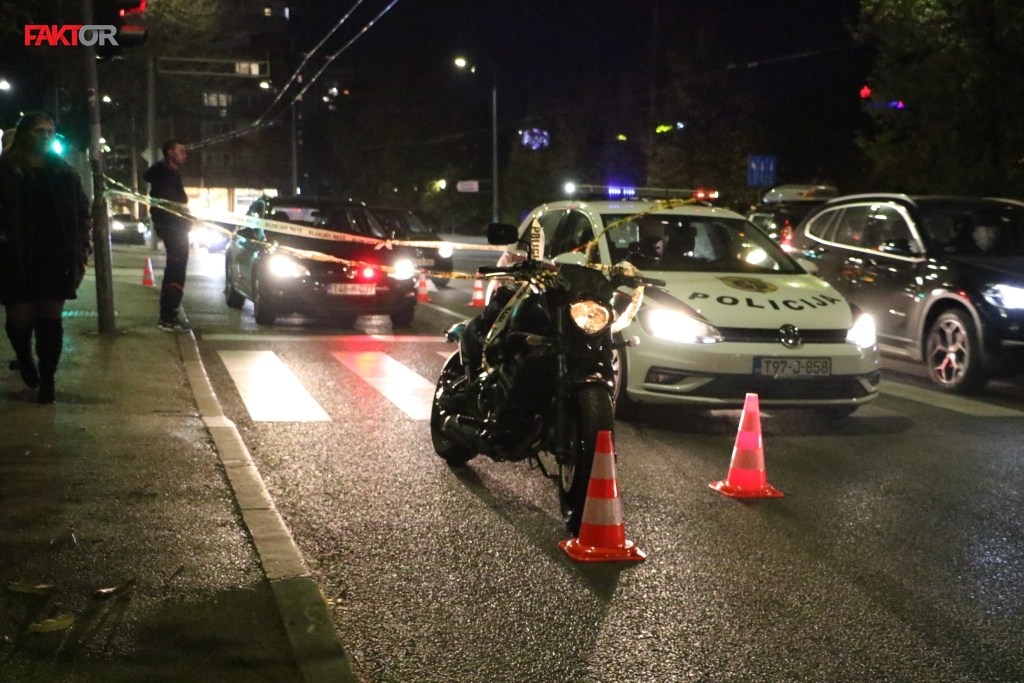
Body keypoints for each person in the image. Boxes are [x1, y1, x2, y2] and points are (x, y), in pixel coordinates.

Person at [0, 111, 92, 403]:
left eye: (50, 132)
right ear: (25, 134)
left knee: (51, 318)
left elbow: (81, 214)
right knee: (19, 319)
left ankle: (49, 378)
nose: (46, 137)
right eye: (39, 131)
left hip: (54, 255)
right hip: (14, 255)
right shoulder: (5, 171)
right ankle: (25, 358)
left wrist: (81, 250)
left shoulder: (64, 174)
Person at [143, 139, 191, 331]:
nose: (185, 155)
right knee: (175, 272)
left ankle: (169, 315)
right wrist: (173, 226)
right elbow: (165, 207)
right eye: (181, 151)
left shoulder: (170, 175)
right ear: (170, 153)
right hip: (174, 231)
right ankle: (168, 317)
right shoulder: (165, 178)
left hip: (177, 230)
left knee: (176, 271)